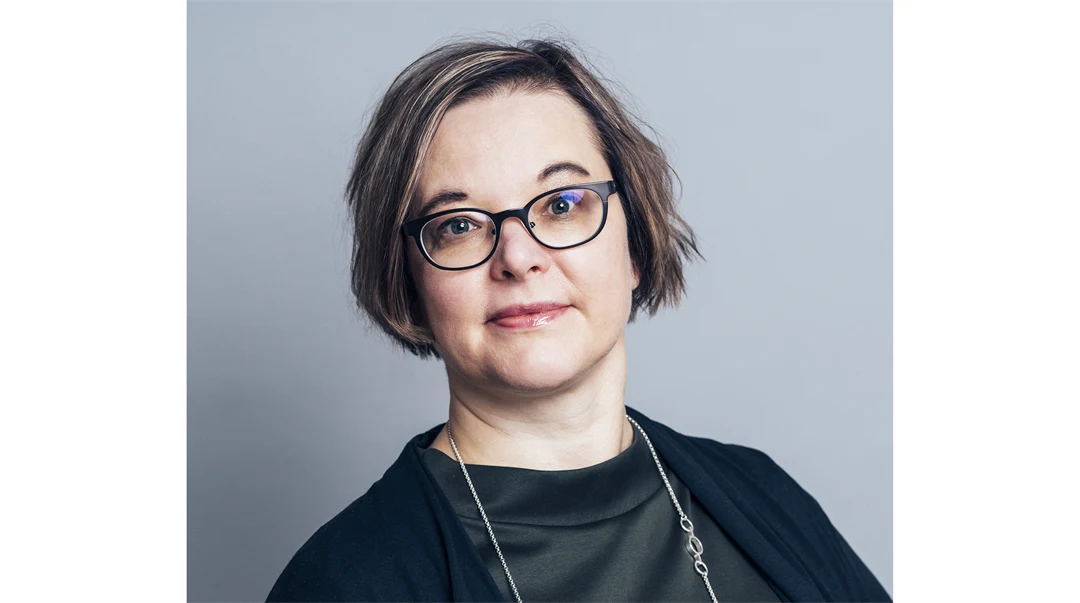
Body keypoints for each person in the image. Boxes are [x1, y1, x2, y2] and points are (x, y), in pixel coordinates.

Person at [265, 36, 890, 603]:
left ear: (637, 244)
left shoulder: (761, 493)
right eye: (458, 225)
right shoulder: (343, 582)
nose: (518, 257)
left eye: (563, 204)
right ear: (411, 286)